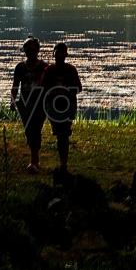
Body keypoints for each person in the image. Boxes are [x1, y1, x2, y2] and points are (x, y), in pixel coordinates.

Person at [41, 42, 82, 174]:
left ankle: (63, 163)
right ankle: (63, 163)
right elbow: (43, 87)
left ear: (66, 55)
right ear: (53, 54)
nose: (59, 55)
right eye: (57, 52)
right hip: (53, 107)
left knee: (63, 134)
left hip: (67, 107)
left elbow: (79, 88)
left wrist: (65, 91)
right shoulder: (49, 70)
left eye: (61, 52)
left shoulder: (71, 70)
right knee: (60, 134)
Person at [11, 36, 49, 174]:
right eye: (27, 48)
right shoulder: (20, 67)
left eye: (32, 48)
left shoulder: (44, 67)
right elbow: (15, 85)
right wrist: (13, 101)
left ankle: (34, 161)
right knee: (28, 131)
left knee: (36, 129)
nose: (29, 51)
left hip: (40, 104)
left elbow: (48, 86)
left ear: (38, 50)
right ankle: (34, 160)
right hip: (25, 104)